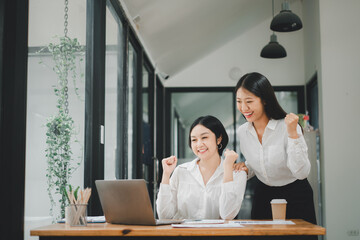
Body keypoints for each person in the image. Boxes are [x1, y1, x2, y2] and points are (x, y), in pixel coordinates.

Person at [234, 72, 317, 225]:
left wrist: (293, 134)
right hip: (264, 195)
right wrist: (246, 168)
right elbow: (258, 162)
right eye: (239, 101)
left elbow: (302, 173)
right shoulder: (243, 132)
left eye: (249, 101)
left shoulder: (287, 127)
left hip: (295, 195)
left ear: (264, 100)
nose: (243, 107)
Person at [156, 115, 247, 220]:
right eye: (194, 140)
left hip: (216, 235)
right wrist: (166, 175)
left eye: (204, 137)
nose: (199, 144)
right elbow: (164, 216)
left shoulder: (237, 173)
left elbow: (227, 214)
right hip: (182, 235)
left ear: (219, 139)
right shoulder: (181, 171)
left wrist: (227, 168)